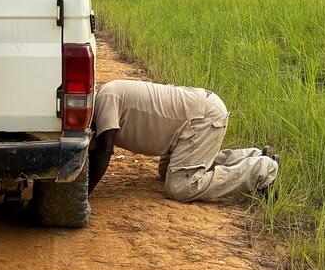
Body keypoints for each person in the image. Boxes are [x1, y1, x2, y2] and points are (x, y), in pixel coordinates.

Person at [88, 79, 279, 202]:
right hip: (189, 121)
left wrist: (84, 195)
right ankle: (254, 155)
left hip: (202, 118)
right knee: (166, 173)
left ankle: (261, 169)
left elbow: (104, 150)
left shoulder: (106, 99)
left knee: (180, 187)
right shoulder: (107, 95)